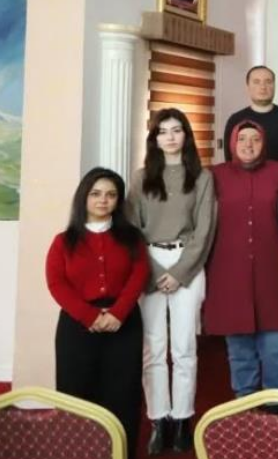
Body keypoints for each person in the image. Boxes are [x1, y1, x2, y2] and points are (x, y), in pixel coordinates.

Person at [126, 108, 217, 455]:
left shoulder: (202, 177)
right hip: (147, 262)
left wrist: (179, 273)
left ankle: (182, 421)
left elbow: (204, 230)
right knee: (153, 348)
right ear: (154, 139)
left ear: (186, 136)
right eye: (162, 131)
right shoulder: (140, 178)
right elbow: (132, 229)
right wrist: (150, 269)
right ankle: (158, 420)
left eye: (176, 130)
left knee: (184, 348)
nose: (170, 137)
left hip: (186, 264)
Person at [48, 168, 148, 459]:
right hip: (76, 327)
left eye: (111, 195)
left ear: (118, 201)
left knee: (123, 394)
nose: (103, 200)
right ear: (84, 198)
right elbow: (56, 283)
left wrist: (118, 313)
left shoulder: (132, 238)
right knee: (76, 392)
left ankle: (121, 453)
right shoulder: (63, 241)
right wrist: (90, 317)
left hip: (124, 324)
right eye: (96, 193)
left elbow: (139, 274)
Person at [203, 120, 278, 398]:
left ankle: (275, 404)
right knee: (239, 348)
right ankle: (244, 404)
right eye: (242, 139)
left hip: (274, 270)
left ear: (263, 143)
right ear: (232, 143)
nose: (248, 145)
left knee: (277, 346)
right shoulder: (214, 175)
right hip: (230, 272)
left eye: (255, 139)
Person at [222, 65, 278, 163]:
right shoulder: (236, 120)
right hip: (243, 178)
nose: (263, 87)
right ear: (248, 86)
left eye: (268, 82)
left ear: (274, 85)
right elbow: (229, 159)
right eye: (256, 82)